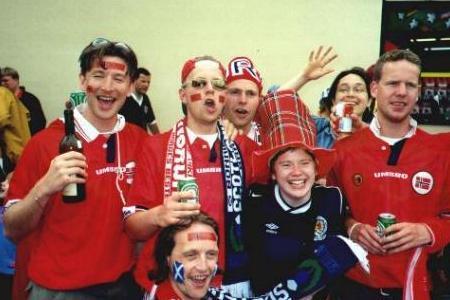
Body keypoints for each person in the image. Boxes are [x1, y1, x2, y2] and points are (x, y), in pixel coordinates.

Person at [3, 37, 147, 299]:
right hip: (59, 289)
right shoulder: (45, 143)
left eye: (118, 78)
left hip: (124, 285)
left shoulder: (139, 140)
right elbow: (12, 229)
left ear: (129, 86)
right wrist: (43, 189)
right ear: (83, 81)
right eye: (98, 75)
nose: (107, 87)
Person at [123, 55, 258, 296]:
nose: (209, 91)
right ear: (182, 95)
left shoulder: (243, 147)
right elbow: (133, 227)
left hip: (230, 284)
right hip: (171, 285)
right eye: (198, 84)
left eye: (218, 85)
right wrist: (158, 215)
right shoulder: (155, 146)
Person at [328, 49, 450, 299]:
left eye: (410, 85)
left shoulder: (441, 150)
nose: (402, 92)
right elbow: (329, 214)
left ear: (418, 92)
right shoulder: (344, 150)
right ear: (374, 89)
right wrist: (353, 228)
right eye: (393, 83)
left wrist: (427, 231)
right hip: (352, 285)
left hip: (415, 287)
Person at [244, 89, 368, 298]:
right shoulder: (255, 201)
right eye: (286, 164)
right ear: (273, 172)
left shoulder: (331, 199)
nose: (297, 173)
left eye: (304, 163)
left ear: (316, 167)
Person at [145, 212, 364, 300]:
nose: (204, 266)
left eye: (211, 254)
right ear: (167, 257)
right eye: (191, 255)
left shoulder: (209, 295)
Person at [1, 67, 47, 135]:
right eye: (1, 81)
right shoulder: (2, 100)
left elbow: (39, 122)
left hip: (27, 140)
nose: (2, 84)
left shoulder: (30, 99)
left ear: (16, 80)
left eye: (5, 80)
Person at [119, 67, 160, 134]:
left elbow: (151, 122)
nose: (146, 85)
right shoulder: (124, 98)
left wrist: (159, 140)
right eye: (143, 81)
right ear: (134, 80)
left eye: (148, 82)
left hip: (143, 140)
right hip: (127, 140)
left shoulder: (145, 98)